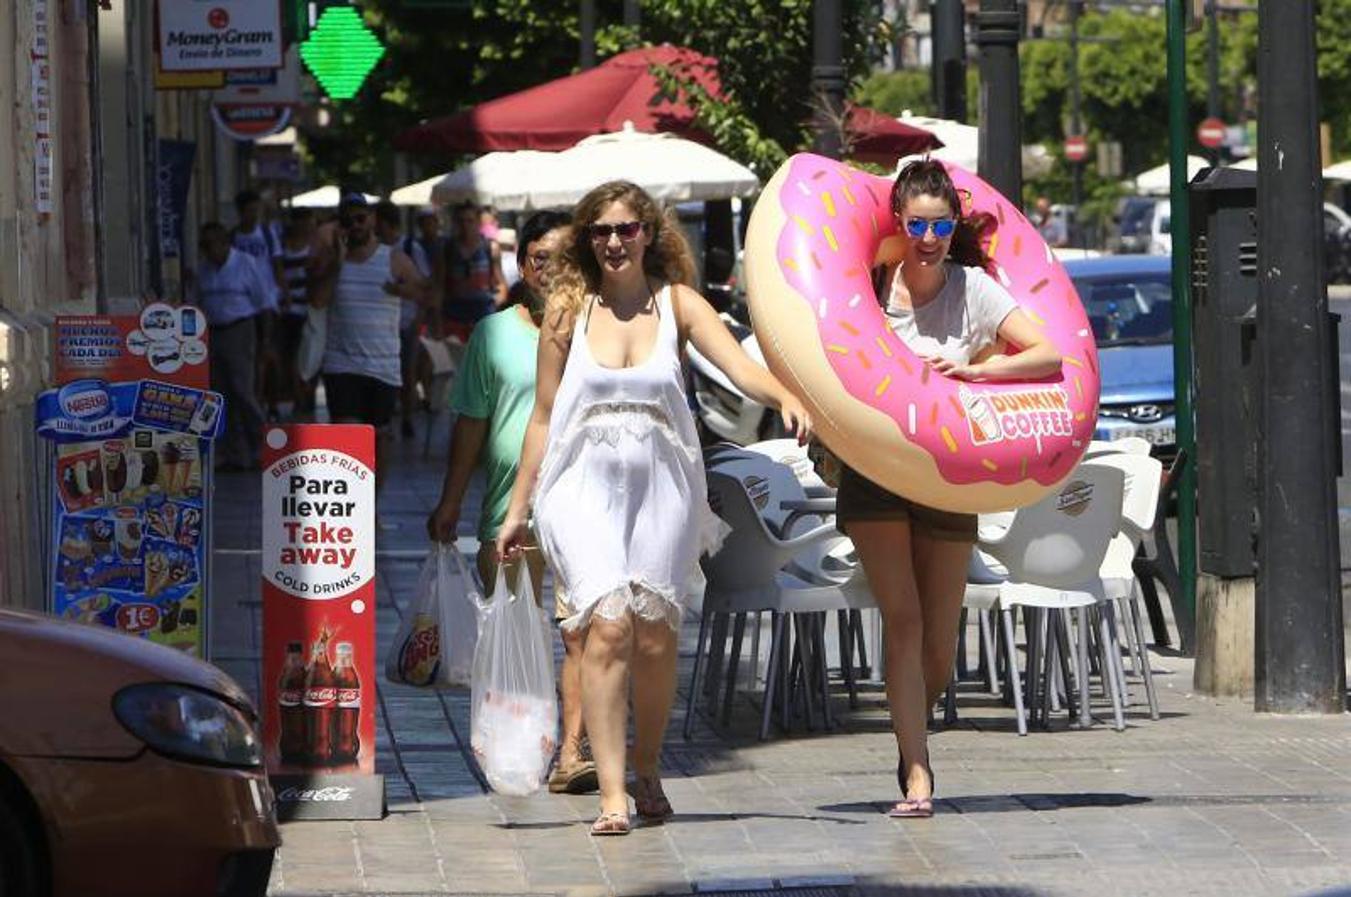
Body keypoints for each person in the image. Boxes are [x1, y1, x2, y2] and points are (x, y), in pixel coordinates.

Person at [496, 182, 811, 836]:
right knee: (606, 625)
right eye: (601, 231)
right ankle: (612, 793)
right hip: (579, 481)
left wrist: (786, 395)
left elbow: (738, 367)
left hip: (663, 480)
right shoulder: (565, 312)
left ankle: (646, 766)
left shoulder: (678, 305)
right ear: (586, 239)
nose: (614, 242)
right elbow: (543, 416)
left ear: (649, 235)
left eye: (626, 229)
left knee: (656, 635)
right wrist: (516, 507)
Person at [843, 160, 1061, 818]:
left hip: (948, 472)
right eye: (917, 223)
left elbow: (1048, 355)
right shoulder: (869, 283)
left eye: (941, 223)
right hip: (877, 467)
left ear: (953, 224)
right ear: (898, 222)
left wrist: (972, 368)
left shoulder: (971, 290)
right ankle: (917, 770)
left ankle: (909, 729)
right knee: (903, 621)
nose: (929, 235)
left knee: (939, 638)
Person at [425, 210, 598, 794]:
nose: (551, 270)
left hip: (580, 505)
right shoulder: (493, 334)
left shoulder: (595, 326)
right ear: (522, 265)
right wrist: (450, 503)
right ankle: (523, 743)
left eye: (564, 258)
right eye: (540, 258)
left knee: (577, 632)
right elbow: (472, 423)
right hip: (508, 512)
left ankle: (573, 750)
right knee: (514, 632)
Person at [318, 193, 429, 487]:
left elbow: (424, 293)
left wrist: (402, 291)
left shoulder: (393, 258)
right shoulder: (331, 259)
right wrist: (337, 263)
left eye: (360, 218)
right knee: (347, 436)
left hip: (383, 365)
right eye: (347, 220)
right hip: (341, 363)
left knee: (379, 436)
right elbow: (317, 300)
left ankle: (371, 505)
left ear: (372, 220)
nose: (354, 225)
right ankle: (352, 503)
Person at [190, 222, 275, 471]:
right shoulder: (203, 270)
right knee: (221, 393)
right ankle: (234, 453)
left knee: (242, 389)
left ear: (225, 243)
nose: (207, 251)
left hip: (240, 328)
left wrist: (266, 341)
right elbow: (196, 300)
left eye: (211, 245)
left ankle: (263, 443)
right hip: (213, 332)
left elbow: (264, 303)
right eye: (203, 246)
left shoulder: (246, 264)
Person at [373, 201, 433, 438]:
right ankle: (390, 414)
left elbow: (425, 284)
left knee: (407, 372)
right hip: (381, 323)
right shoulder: (373, 249)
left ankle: (407, 416)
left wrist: (418, 317)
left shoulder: (410, 247)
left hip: (407, 322)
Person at [232, 189, 285, 419]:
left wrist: (283, 292)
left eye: (257, 210)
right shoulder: (233, 237)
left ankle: (271, 400)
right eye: (250, 211)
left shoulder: (266, 233)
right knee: (250, 354)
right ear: (240, 212)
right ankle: (257, 399)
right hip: (244, 302)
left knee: (268, 351)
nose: (254, 215)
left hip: (267, 300)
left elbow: (277, 263)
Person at [440, 202, 507, 337]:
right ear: (455, 223)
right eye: (461, 221)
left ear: (478, 222)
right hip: (454, 314)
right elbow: (439, 285)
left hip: (483, 314)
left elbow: (501, 285)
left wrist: (493, 305)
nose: (465, 226)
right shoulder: (447, 248)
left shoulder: (490, 248)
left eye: (469, 221)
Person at [276, 207, 317, 418]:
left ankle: (304, 396)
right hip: (287, 309)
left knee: (306, 357)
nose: (308, 225)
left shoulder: (315, 246)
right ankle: (297, 397)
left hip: (309, 308)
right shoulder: (282, 245)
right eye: (304, 221)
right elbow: (278, 272)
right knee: (290, 357)